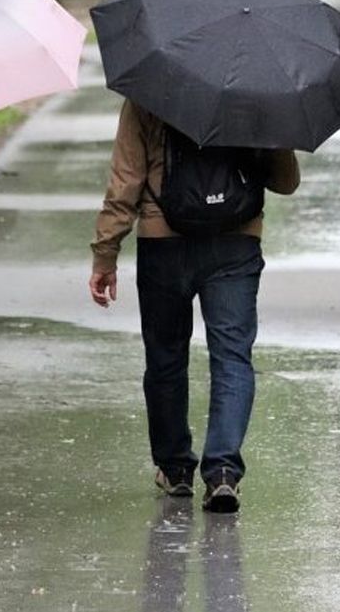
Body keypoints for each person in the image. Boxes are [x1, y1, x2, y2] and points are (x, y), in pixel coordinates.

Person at [89, 99, 300, 513]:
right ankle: (222, 471)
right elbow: (286, 181)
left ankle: (176, 468)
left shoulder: (148, 91)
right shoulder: (256, 89)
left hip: (162, 241)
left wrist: (105, 253)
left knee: (166, 357)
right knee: (232, 358)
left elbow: (125, 180)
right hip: (235, 240)